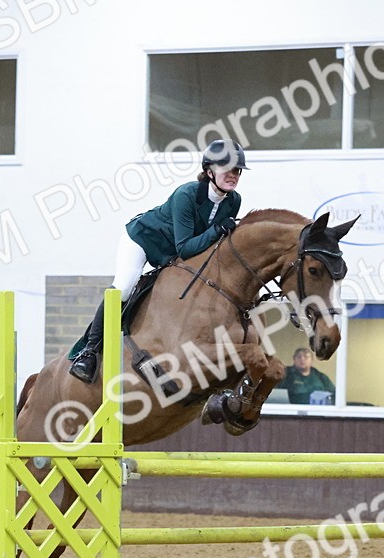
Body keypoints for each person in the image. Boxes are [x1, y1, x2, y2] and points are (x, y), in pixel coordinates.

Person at [68, 139, 249, 382]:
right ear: (209, 171)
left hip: (169, 256)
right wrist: (217, 231)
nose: (233, 175)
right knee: (123, 288)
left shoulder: (234, 201)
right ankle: (88, 352)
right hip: (143, 240)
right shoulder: (186, 194)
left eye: (237, 171)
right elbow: (185, 247)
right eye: (227, 169)